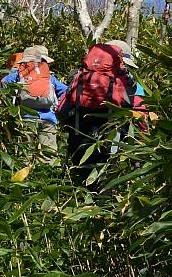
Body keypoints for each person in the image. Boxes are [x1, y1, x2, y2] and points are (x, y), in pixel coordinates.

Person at [57, 40, 147, 187]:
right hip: (111, 144)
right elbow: (141, 113)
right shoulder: (126, 81)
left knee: (84, 186)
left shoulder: (80, 77)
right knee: (106, 189)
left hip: (79, 141)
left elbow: (61, 111)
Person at [0, 45, 68, 156]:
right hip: (48, 119)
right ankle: (48, 172)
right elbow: (66, 91)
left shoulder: (17, 75)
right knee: (49, 153)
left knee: (25, 153)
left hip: (25, 118)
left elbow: (2, 86)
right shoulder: (49, 77)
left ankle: (27, 171)